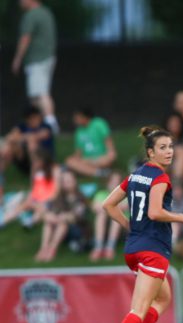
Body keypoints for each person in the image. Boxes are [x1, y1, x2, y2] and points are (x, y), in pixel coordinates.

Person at [98, 126, 183, 323]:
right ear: (150, 152)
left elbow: (108, 205)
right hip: (153, 249)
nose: (169, 152)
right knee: (139, 308)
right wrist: (182, 217)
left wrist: (129, 226)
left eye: (171, 147)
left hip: (133, 249)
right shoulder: (160, 178)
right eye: (163, 148)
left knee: (163, 298)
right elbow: (154, 212)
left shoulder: (134, 176)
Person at [12, 0, 59, 134]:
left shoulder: (31, 15)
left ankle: (50, 124)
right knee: (35, 96)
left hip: (36, 59)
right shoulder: (46, 13)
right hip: (48, 57)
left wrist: (18, 58)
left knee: (40, 94)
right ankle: (37, 123)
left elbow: (25, 38)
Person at [35, 169, 88, 262]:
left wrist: (63, 217)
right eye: (64, 181)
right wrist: (50, 216)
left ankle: (52, 249)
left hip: (77, 230)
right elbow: (49, 212)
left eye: (69, 181)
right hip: (60, 225)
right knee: (49, 222)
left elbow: (78, 217)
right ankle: (44, 248)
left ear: (74, 181)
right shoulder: (59, 197)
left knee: (62, 223)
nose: (66, 184)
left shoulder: (80, 198)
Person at [0, 148, 59, 229]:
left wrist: (44, 199)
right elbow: (34, 187)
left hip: (49, 199)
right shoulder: (37, 170)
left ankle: (32, 221)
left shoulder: (55, 170)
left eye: (36, 160)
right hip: (38, 197)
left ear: (43, 159)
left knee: (41, 207)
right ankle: (4, 221)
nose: (34, 163)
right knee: (24, 205)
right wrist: (33, 171)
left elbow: (56, 191)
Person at [0, 106, 54, 187]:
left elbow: (41, 135)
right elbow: (9, 137)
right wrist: (25, 137)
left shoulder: (46, 126)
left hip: (43, 160)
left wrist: (21, 137)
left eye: (35, 118)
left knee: (31, 143)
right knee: (9, 146)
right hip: (24, 159)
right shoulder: (22, 126)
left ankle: (34, 179)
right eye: (31, 119)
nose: (34, 120)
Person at [65, 108, 116, 177]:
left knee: (110, 157)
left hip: (100, 158)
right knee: (69, 161)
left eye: (77, 118)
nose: (75, 120)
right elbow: (78, 153)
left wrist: (107, 157)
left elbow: (110, 148)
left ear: (85, 117)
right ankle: (99, 173)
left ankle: (87, 170)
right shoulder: (79, 131)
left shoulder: (98, 123)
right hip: (86, 160)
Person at [89, 171, 126, 261]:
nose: (114, 185)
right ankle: (99, 247)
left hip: (124, 227)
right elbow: (94, 207)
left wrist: (106, 207)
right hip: (105, 223)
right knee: (101, 215)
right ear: (108, 183)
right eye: (112, 182)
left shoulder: (125, 195)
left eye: (117, 183)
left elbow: (124, 206)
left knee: (115, 214)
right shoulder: (101, 194)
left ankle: (110, 247)